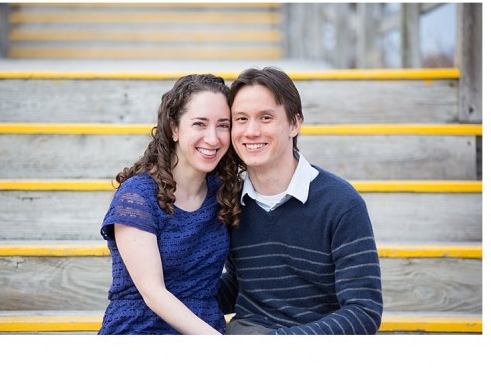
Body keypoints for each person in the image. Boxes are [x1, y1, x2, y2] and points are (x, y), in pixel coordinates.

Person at [218, 67, 383, 335]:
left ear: (294, 124)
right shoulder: (231, 201)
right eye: (241, 119)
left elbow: (364, 311)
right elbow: (241, 284)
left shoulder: (341, 203)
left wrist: (280, 343)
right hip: (248, 335)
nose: (251, 131)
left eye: (266, 118)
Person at [98, 74, 243, 335]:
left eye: (223, 125)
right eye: (199, 124)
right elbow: (153, 293)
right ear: (174, 128)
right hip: (142, 331)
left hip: (205, 328)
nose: (213, 138)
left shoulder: (223, 192)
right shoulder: (138, 196)